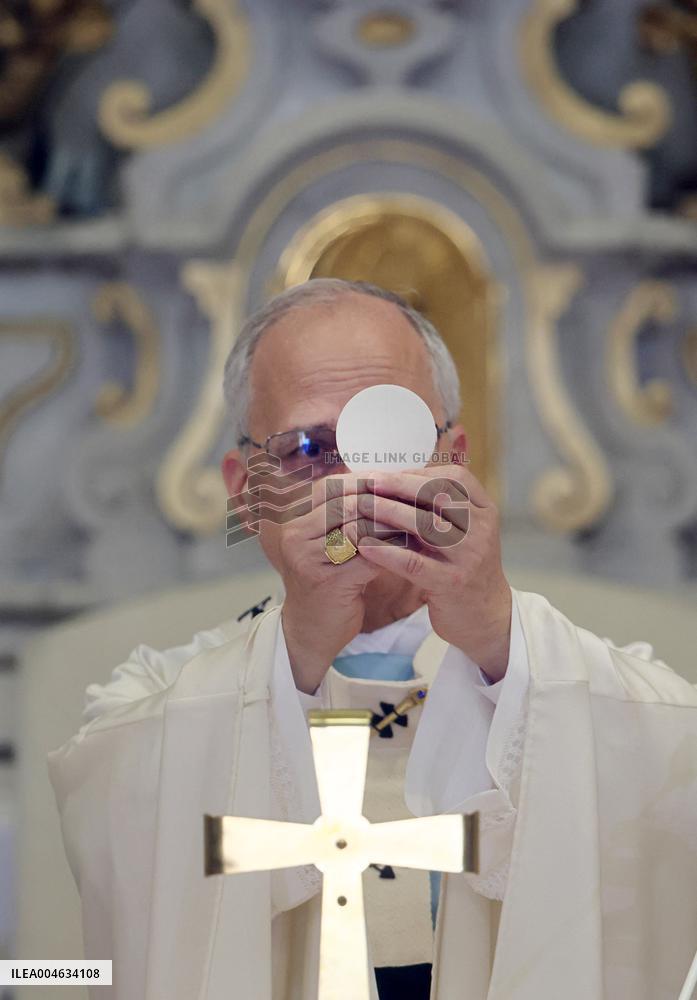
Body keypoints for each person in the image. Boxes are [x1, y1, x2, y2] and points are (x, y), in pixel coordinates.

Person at [49, 279, 697, 1000]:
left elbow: (667, 773)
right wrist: (296, 650)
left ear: (454, 459)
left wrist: (496, 635)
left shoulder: (563, 674)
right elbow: (124, 822)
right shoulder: (154, 695)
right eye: (308, 448)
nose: (356, 481)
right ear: (245, 492)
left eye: (392, 439)